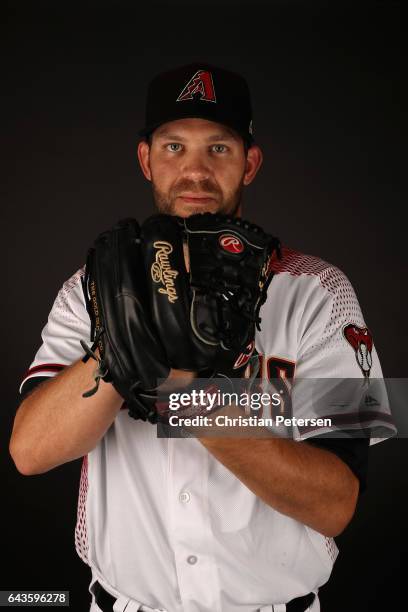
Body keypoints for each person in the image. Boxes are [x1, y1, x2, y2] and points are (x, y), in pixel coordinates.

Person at [10, 63, 394, 612]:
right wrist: (119, 352)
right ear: (146, 159)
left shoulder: (322, 292)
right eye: (173, 147)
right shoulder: (89, 289)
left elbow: (337, 505)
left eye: (218, 148)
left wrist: (194, 396)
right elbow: (29, 451)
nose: (195, 171)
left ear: (250, 163)